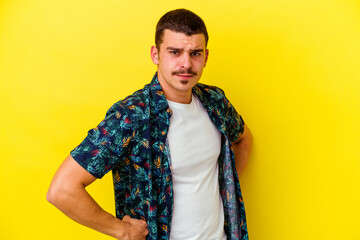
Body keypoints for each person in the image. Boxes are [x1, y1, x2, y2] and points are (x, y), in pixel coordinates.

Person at [47, 8, 253, 240]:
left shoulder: (215, 101)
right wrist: (121, 230)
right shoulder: (132, 115)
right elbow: (62, 189)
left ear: (206, 56)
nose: (186, 64)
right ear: (155, 54)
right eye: (175, 52)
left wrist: (226, 187)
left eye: (195, 53)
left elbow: (243, 138)